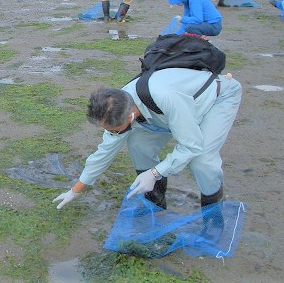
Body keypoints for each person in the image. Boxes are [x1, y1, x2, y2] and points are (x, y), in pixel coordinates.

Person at [53, 76, 242, 240]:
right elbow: (104, 152)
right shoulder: (119, 104)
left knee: (201, 161)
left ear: (132, 117)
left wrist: (155, 172)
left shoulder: (166, 98)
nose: (111, 134)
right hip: (165, 112)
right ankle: (155, 205)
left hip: (214, 99)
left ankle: (214, 221)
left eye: (115, 131)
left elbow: (190, 146)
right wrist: (76, 190)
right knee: (138, 144)